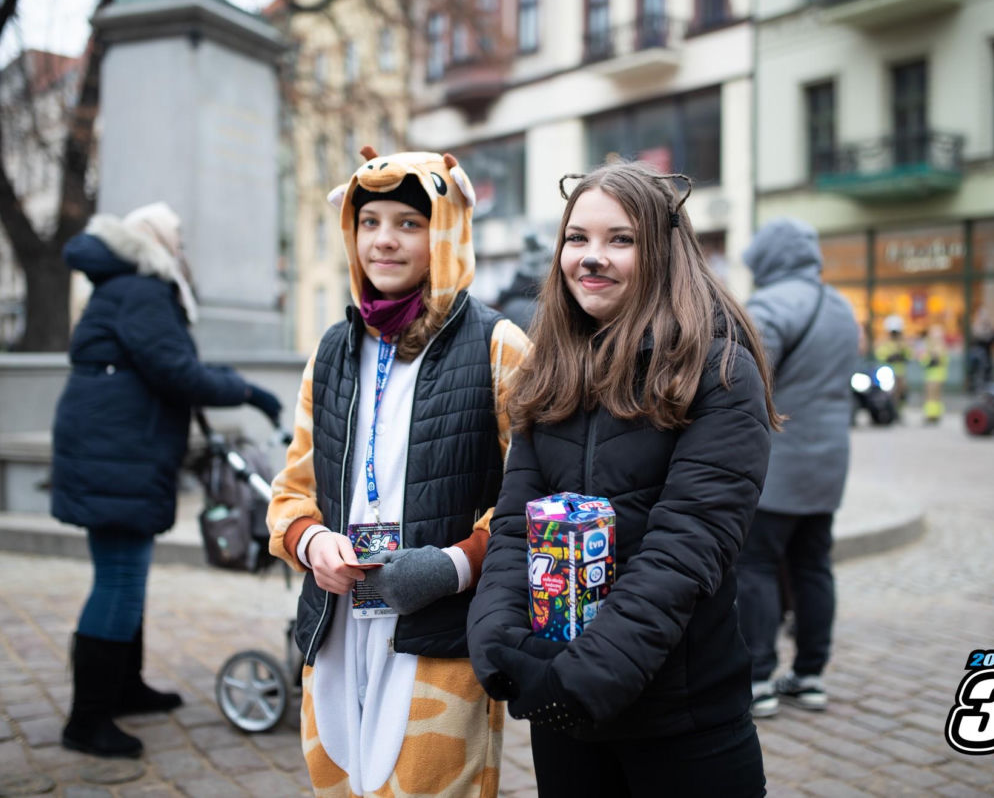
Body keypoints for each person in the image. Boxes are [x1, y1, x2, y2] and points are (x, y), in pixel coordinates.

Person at [466, 161, 778, 798]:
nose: (591, 258)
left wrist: (583, 676)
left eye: (620, 239)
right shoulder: (549, 368)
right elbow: (513, 525)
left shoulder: (718, 370)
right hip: (567, 710)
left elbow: (685, 549)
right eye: (576, 239)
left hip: (682, 716)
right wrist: (498, 644)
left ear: (662, 251)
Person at [267, 148, 530, 797]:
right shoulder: (332, 350)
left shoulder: (500, 346)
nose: (384, 240)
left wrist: (453, 565)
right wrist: (310, 542)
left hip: (442, 636)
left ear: (443, 229)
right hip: (335, 628)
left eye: (409, 223)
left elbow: (535, 501)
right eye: (370, 221)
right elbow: (290, 495)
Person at [50, 202, 283, 758]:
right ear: (155, 242)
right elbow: (176, 370)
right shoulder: (143, 288)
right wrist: (249, 392)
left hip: (114, 448)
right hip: (117, 453)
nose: (183, 249)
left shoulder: (124, 286)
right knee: (119, 581)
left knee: (125, 577)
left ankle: (123, 689)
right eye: (177, 239)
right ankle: (87, 721)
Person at [734, 217, 860, 719]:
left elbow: (742, 382)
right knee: (813, 566)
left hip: (777, 463)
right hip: (829, 462)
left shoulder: (769, 307)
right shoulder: (841, 307)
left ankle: (759, 678)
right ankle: (810, 674)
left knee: (757, 568)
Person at [875, 314, 911, 407]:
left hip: (900, 372)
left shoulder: (902, 343)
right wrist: (889, 357)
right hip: (887, 373)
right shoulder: (885, 342)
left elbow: (908, 354)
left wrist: (902, 356)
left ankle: (898, 408)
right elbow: (880, 354)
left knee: (901, 391)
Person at [920, 323, 949, 424]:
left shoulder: (939, 347)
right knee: (932, 396)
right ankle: (933, 414)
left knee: (933, 396)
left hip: (936, 375)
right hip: (931, 375)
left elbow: (940, 360)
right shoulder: (931, 347)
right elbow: (924, 360)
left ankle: (932, 415)